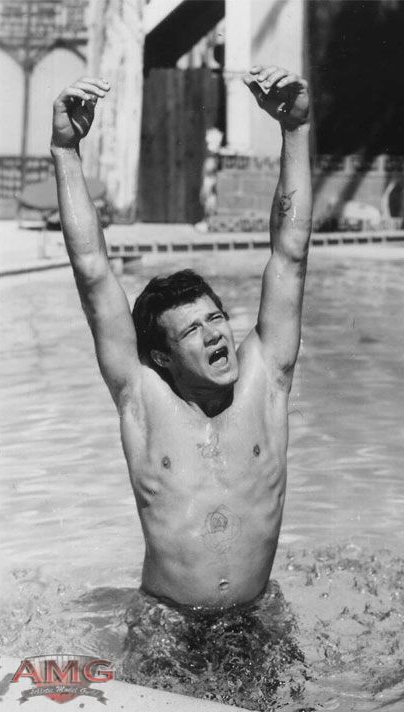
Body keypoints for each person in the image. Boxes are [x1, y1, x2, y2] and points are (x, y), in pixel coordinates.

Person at [51, 66, 312, 612]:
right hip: (166, 623)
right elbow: (93, 271)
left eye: (216, 318)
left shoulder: (266, 381)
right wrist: (66, 152)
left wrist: (296, 130)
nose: (215, 333)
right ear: (161, 357)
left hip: (256, 617)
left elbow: (289, 256)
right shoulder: (142, 397)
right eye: (192, 329)